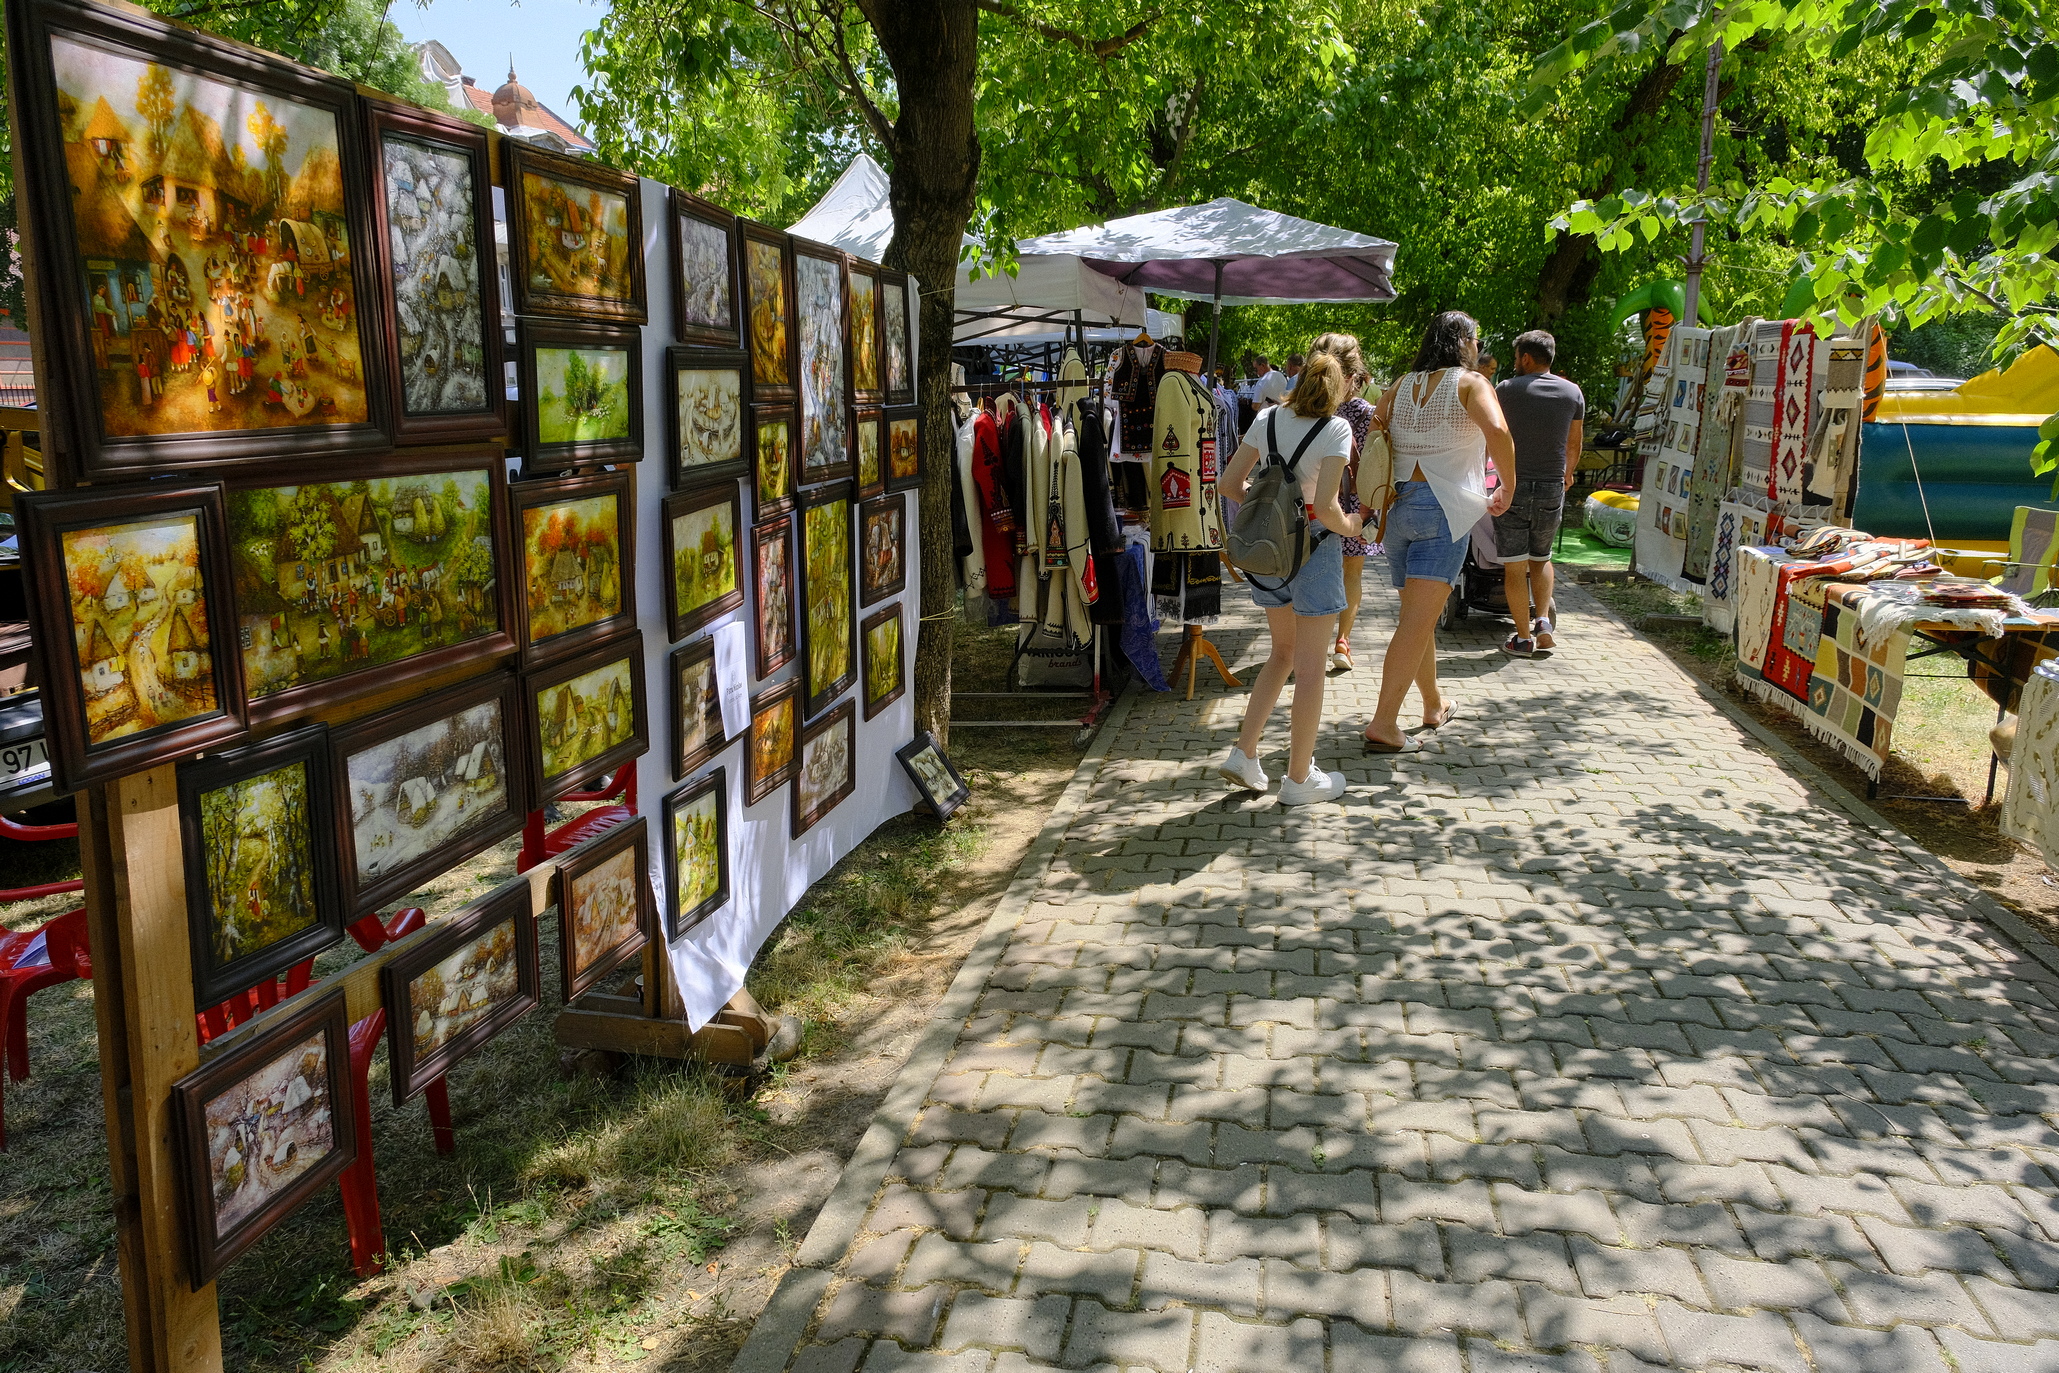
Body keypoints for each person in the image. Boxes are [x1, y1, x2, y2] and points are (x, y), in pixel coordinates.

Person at [1362, 311, 1516, 754]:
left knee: (1419, 618)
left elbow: (1375, 434)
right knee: (1416, 622)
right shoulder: (1470, 383)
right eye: (1476, 339)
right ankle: (1384, 722)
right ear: (1464, 340)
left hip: (1398, 509)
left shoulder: (1399, 385)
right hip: (1444, 511)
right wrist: (1508, 484)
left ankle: (1432, 705)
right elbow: (1499, 431)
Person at [1218, 352, 1364, 805]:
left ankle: (1244, 753)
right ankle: (1299, 779)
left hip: (1268, 552)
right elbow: (1327, 507)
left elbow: (1228, 484)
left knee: (1280, 653)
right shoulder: (1336, 429)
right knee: (1310, 667)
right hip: (1315, 552)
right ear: (1338, 390)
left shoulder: (1266, 418)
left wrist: (1268, 512)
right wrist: (1358, 525)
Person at [1492, 329, 1586, 656]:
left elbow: (1493, 432)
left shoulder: (1505, 390)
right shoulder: (1573, 393)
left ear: (1527, 358)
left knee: (1515, 566)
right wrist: (1567, 474)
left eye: (1517, 356)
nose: (1515, 362)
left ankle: (1521, 638)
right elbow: (1574, 443)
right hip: (1551, 486)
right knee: (1542, 557)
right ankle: (1543, 621)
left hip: (1513, 483)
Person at [1304, 333, 1376, 672]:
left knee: (1307, 571)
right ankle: (1342, 642)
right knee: (1351, 572)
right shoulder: (1368, 415)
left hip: (1307, 505)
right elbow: (1378, 466)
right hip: (1354, 506)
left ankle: (1305, 643)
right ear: (1355, 375)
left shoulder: (1303, 410)